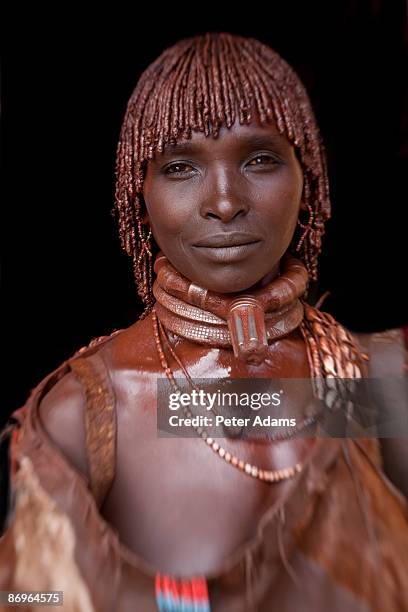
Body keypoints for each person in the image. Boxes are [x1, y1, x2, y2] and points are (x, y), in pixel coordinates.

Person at [1, 32, 407, 612]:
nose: (223, 201)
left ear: (308, 180)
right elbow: (21, 594)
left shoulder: (372, 381)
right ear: (137, 197)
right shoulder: (94, 407)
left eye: (261, 159)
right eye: (180, 166)